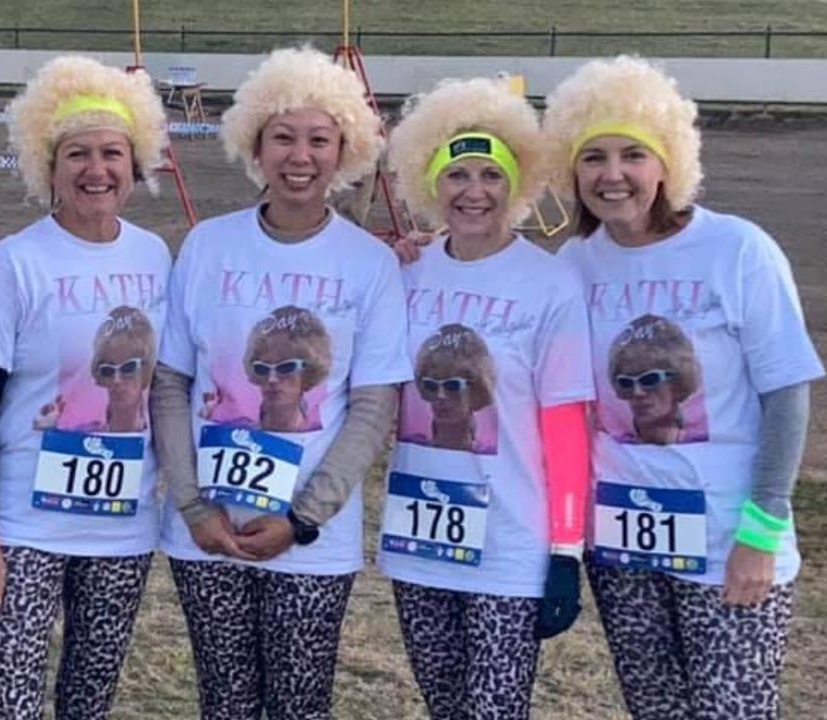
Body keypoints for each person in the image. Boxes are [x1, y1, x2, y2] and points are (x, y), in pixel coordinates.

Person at [547, 55, 824, 719]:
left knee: (732, 709)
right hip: (621, 541)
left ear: (667, 162)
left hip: (729, 539)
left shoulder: (738, 249)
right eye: (593, 158)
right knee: (656, 709)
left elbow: (786, 393)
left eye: (633, 155)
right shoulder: (572, 263)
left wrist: (761, 529)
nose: (612, 176)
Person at [152, 47, 410, 720]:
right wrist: (192, 506)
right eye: (284, 137)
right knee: (225, 702)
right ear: (255, 146)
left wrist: (302, 519)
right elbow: (172, 384)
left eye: (319, 139)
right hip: (207, 533)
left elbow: (373, 404)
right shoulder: (208, 245)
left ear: (344, 149)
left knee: (299, 704)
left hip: (309, 541)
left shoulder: (371, 262)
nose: (301, 156)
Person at [0, 56, 171, 720]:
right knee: (12, 706)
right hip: (25, 529)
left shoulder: (155, 255)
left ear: (135, 166)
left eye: (112, 153)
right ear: (47, 167)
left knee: (90, 702)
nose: (95, 170)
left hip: (122, 530)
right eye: (76, 154)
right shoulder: (12, 263)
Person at [380, 76, 595, 719]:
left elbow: (565, 427)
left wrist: (564, 550)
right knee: (445, 707)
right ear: (430, 184)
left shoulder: (550, 283)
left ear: (515, 184)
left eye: (491, 175)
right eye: (457, 175)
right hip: (418, 541)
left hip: (509, 545)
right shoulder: (404, 271)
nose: (474, 191)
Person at [607, 314, 705, 445]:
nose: (637, 392)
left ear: (677, 381)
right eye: (626, 382)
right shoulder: (613, 444)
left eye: (649, 380)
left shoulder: (702, 442)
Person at [407, 322, 497, 452]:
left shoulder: (488, 452)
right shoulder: (412, 445)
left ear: (476, 389)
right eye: (431, 385)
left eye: (452, 385)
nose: (440, 395)